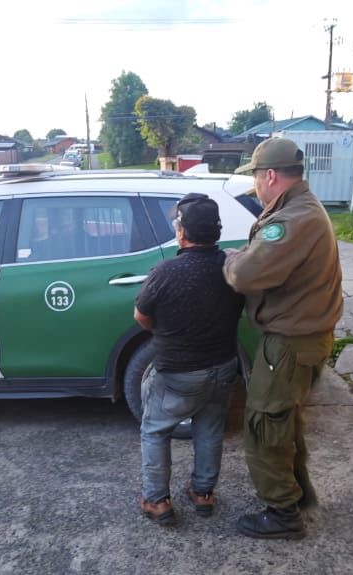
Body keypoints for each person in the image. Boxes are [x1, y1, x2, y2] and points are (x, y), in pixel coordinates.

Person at [224, 137, 344, 540]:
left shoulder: (294, 220)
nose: (255, 186)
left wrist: (230, 261)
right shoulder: (299, 211)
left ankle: (282, 514)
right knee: (285, 422)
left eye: (256, 177)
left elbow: (245, 275)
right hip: (302, 339)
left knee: (264, 425)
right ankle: (298, 495)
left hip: (291, 342)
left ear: (270, 175)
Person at [133, 193, 245, 526]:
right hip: (224, 367)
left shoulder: (166, 272)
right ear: (216, 231)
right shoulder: (231, 268)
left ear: (182, 231)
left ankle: (157, 501)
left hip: (178, 372)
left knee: (155, 431)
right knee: (209, 430)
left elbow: (141, 316)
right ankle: (202, 493)